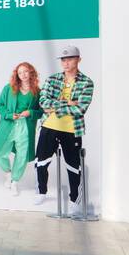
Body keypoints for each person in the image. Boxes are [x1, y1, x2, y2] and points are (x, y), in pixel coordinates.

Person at [35, 45, 95, 206]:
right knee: (41, 161)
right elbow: (43, 102)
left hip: (72, 129)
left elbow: (80, 108)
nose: (66, 63)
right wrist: (67, 102)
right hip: (49, 126)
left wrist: (55, 106)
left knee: (73, 165)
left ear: (78, 60)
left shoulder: (87, 82)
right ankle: (41, 191)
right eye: (63, 59)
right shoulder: (52, 79)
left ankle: (75, 198)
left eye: (70, 59)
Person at [0, 62, 40, 196]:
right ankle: (8, 173)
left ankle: (14, 182)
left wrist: (30, 112)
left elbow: (41, 111)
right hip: (9, 124)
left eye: (26, 71)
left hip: (26, 126)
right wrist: (8, 115)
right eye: (20, 72)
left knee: (22, 155)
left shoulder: (37, 91)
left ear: (31, 72)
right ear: (16, 75)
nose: (23, 75)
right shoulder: (9, 88)